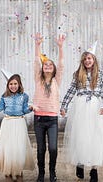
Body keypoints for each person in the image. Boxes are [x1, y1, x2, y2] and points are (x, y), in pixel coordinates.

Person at [60, 41, 103, 182]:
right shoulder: (77, 74)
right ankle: (80, 163)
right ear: (83, 61)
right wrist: (64, 106)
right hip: (81, 106)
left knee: (95, 136)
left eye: (90, 58)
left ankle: (94, 169)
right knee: (80, 134)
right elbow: (70, 91)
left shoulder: (100, 74)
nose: (87, 61)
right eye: (85, 59)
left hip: (95, 106)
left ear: (94, 60)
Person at [0, 74, 35, 182]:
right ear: (8, 85)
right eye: (11, 84)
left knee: (18, 148)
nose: (13, 86)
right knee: (7, 148)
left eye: (15, 84)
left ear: (19, 84)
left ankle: (18, 172)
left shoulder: (24, 96)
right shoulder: (4, 96)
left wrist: (31, 108)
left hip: (19, 123)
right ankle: (7, 173)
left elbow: (25, 110)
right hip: (7, 123)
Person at [32, 32, 66, 182]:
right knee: (41, 149)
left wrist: (60, 47)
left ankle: (52, 173)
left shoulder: (56, 80)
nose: (47, 66)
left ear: (53, 69)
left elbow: (61, 63)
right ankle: (41, 174)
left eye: (50, 65)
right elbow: (36, 61)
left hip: (52, 119)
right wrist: (37, 45)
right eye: (45, 65)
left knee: (52, 148)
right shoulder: (38, 79)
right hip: (39, 118)